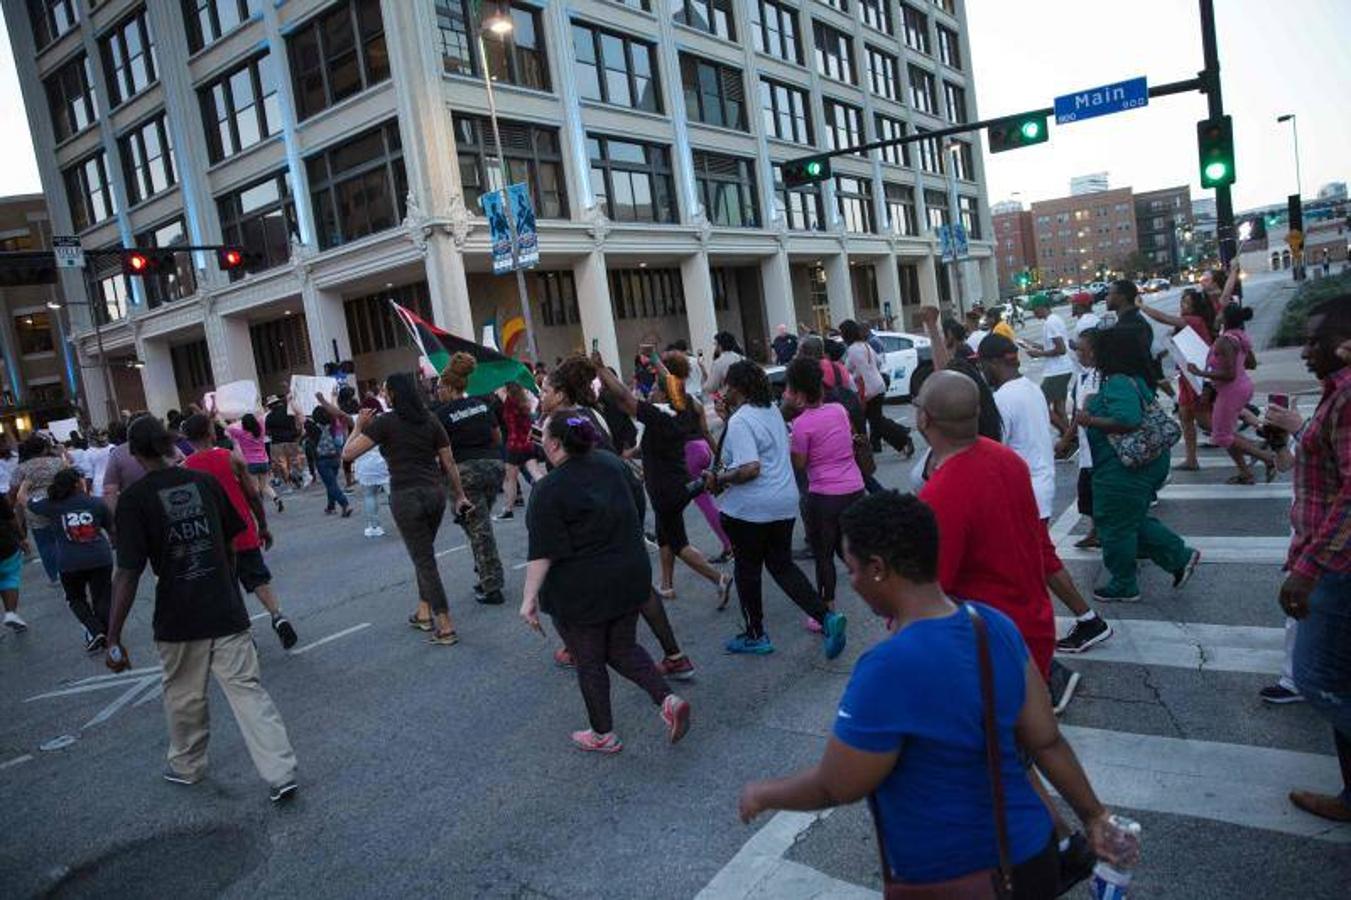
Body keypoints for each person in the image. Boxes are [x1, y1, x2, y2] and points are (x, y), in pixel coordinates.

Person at [737, 492, 1128, 899]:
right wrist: (1095, 816)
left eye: (851, 570)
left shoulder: (887, 667)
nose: (852, 582)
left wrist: (764, 793)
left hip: (949, 876)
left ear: (877, 569)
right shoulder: (992, 625)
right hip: (1031, 859)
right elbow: (1045, 739)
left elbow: (839, 785)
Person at [104, 416, 298, 803]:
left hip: (178, 614)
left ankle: (187, 766)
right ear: (166, 445)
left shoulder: (135, 501)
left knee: (184, 693)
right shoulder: (204, 483)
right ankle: (280, 772)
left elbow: (127, 573)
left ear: (136, 453)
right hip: (224, 604)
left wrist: (113, 635)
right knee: (248, 691)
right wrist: (224, 581)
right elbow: (229, 540)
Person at [520, 410, 692, 753]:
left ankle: (603, 734)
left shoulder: (549, 489)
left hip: (582, 590)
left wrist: (528, 600)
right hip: (628, 574)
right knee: (622, 648)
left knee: (590, 660)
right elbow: (637, 507)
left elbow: (543, 552)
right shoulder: (612, 464)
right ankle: (668, 700)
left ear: (552, 444)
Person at [541, 354, 695, 680]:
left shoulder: (565, 421)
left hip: (605, 500)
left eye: (545, 391)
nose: (542, 397)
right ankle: (674, 654)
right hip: (623, 490)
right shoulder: (587, 413)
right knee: (631, 573)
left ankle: (583, 646)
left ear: (561, 394)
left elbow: (571, 469)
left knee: (580, 574)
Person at [708, 360, 847, 658]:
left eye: (727, 385)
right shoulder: (771, 410)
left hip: (751, 509)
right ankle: (826, 617)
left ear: (737, 387)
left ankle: (755, 634)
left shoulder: (742, 421)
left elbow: (750, 468)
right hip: (784, 503)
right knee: (782, 565)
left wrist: (719, 479)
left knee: (747, 570)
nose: (724, 391)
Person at [1279, 297, 1351, 822]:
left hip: (1338, 568)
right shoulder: (1336, 394)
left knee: (1316, 678)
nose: (1305, 351)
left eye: (1315, 342)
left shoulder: (1348, 396)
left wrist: (1308, 569)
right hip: (1326, 558)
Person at [342, 372, 473, 646]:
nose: (385, 395)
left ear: (392, 395)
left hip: (405, 495)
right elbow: (448, 462)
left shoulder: (386, 423)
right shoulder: (430, 419)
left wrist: (358, 426)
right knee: (423, 553)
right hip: (434, 493)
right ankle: (424, 612)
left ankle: (445, 623)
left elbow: (348, 454)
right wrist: (459, 495)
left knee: (424, 559)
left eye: (387, 391)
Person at [595, 352, 733, 606]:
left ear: (663, 395)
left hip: (665, 490)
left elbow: (625, 398)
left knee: (678, 543)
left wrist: (601, 369)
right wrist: (657, 359)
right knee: (665, 534)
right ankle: (666, 585)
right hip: (677, 484)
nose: (650, 395)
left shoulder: (659, 415)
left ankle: (718, 578)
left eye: (655, 392)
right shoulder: (684, 410)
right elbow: (670, 386)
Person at [1076, 327, 1200, 602]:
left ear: (1101, 352)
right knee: (1130, 521)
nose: (1079, 353)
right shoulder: (1129, 379)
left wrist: (1089, 419)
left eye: (1082, 348)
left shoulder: (1117, 382)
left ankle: (1124, 584)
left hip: (1123, 469)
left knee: (1115, 526)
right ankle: (1179, 557)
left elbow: (1128, 418)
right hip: (1134, 467)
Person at [181, 414, 298, 650]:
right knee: (258, 578)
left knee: (228, 586)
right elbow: (252, 496)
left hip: (212, 538)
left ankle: (245, 634)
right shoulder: (231, 458)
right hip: (242, 531)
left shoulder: (185, 469)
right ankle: (277, 616)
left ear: (188, 438)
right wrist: (262, 526)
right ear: (211, 433)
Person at [783, 358, 864, 620]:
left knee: (824, 554)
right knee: (850, 548)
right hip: (854, 487)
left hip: (824, 495)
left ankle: (827, 610)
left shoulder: (801, 424)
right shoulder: (839, 410)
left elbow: (800, 463)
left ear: (797, 393)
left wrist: (790, 442)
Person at [434, 354, 507, 605]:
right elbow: (497, 437)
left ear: (450, 387)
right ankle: (485, 570)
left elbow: (443, 454)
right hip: (493, 467)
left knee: (479, 528)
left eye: (440, 387)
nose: (438, 392)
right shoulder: (482, 405)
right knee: (476, 524)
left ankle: (492, 585)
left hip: (466, 473)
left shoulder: (442, 415)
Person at [22, 468, 113, 651]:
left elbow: (23, 500)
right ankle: (105, 632)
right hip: (100, 557)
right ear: (77, 484)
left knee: (75, 598)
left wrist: (24, 485)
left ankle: (96, 631)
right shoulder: (96, 503)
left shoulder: (51, 505)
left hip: (69, 562)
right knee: (102, 597)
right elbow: (112, 529)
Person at [1188, 300, 1279, 484]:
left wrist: (1200, 372)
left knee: (1221, 435)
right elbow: (1251, 363)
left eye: (1220, 313)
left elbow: (1229, 374)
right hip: (1239, 388)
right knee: (1226, 434)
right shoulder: (1239, 337)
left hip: (1231, 390)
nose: (1217, 315)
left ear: (1225, 318)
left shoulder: (1224, 341)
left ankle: (1268, 459)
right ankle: (1245, 472)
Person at [668, 350, 733, 562]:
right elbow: (705, 432)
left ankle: (729, 544)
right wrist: (718, 456)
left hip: (689, 453)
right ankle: (731, 542)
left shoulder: (674, 401)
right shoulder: (694, 401)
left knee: (704, 504)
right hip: (702, 449)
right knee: (706, 501)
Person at [1141, 287, 1216, 470]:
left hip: (1196, 378)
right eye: (1182, 302)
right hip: (1188, 376)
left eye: (1186, 303)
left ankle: (1251, 448)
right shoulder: (1193, 322)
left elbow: (1163, 318)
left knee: (1205, 422)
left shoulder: (1194, 320)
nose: (1182, 306)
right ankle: (1191, 459)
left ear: (1195, 307)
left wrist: (1142, 306)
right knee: (1185, 416)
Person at [1056, 328, 1103, 551]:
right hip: (1086, 450)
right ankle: (1096, 531)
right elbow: (1076, 414)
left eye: (1082, 350)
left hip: (1099, 450)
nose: (1078, 354)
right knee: (1087, 494)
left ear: (1094, 352)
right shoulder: (1083, 377)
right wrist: (1068, 438)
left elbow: (1085, 414)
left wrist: (1067, 438)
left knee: (1098, 494)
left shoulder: (1102, 377)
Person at [839, 319, 913, 457]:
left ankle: (902, 437)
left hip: (868, 390)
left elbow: (848, 370)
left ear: (846, 334)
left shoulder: (852, 350)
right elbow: (877, 363)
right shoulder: (865, 345)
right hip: (878, 385)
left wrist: (853, 374)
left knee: (876, 421)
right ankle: (888, 442)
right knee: (875, 419)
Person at [11, 433, 67, 584]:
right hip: (58, 501)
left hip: (33, 505)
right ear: (43, 449)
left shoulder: (22, 467)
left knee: (44, 543)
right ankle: (68, 570)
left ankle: (54, 577)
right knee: (63, 539)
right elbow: (68, 475)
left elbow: (14, 485)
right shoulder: (57, 462)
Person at [1022, 294, 1073, 436]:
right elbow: (1054, 345)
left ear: (1041, 307)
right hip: (1063, 369)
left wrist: (1039, 354)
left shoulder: (1050, 323)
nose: (1033, 313)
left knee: (1041, 404)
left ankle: (1067, 434)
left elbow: (1061, 349)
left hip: (1057, 371)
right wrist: (1034, 346)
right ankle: (1069, 438)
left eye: (1034, 309)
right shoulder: (1054, 320)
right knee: (1059, 408)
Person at [222, 407, 281, 514]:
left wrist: (219, 415)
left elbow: (226, 427)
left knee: (255, 488)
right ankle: (276, 498)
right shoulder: (261, 430)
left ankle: (259, 508)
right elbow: (261, 416)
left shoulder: (241, 434)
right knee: (265, 485)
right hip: (264, 461)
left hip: (251, 463)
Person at [1103, 279, 1157, 386]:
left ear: (1121, 297)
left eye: (1109, 294)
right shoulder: (1136, 321)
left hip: (1133, 387)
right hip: (1140, 384)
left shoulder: (1128, 326)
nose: (1106, 298)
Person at [353, 397, 391, 537]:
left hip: (365, 467)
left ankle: (375, 527)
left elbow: (338, 413)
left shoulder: (357, 421)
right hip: (385, 464)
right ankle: (403, 522)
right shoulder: (385, 420)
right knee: (392, 494)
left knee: (370, 496)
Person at [310, 395, 352, 516]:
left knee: (331, 484)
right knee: (332, 482)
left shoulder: (312, 427)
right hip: (335, 458)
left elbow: (299, 416)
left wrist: (291, 399)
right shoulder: (335, 425)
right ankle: (331, 506)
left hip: (322, 460)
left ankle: (345, 504)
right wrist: (331, 398)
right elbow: (334, 410)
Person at [497, 380, 534, 519]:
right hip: (527, 443)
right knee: (534, 472)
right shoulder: (524, 403)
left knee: (510, 478)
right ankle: (550, 494)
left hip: (514, 445)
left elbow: (499, 390)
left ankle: (508, 509)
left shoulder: (509, 402)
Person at [265, 395, 306, 489]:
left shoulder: (269, 416)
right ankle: (299, 478)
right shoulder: (288, 412)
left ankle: (288, 483)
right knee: (294, 460)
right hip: (291, 440)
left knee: (282, 464)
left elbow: (267, 432)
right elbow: (297, 422)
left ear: (270, 406)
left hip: (277, 442)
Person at [0, 486, 25, 632]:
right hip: (4, 545)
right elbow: (11, 519)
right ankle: (11, 613)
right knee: (9, 577)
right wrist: (22, 538)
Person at [704, 331, 744, 397]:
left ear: (720, 346)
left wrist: (703, 386)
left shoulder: (718, 363)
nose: (715, 347)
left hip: (728, 398)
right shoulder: (742, 358)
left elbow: (711, 387)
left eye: (716, 344)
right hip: (743, 396)